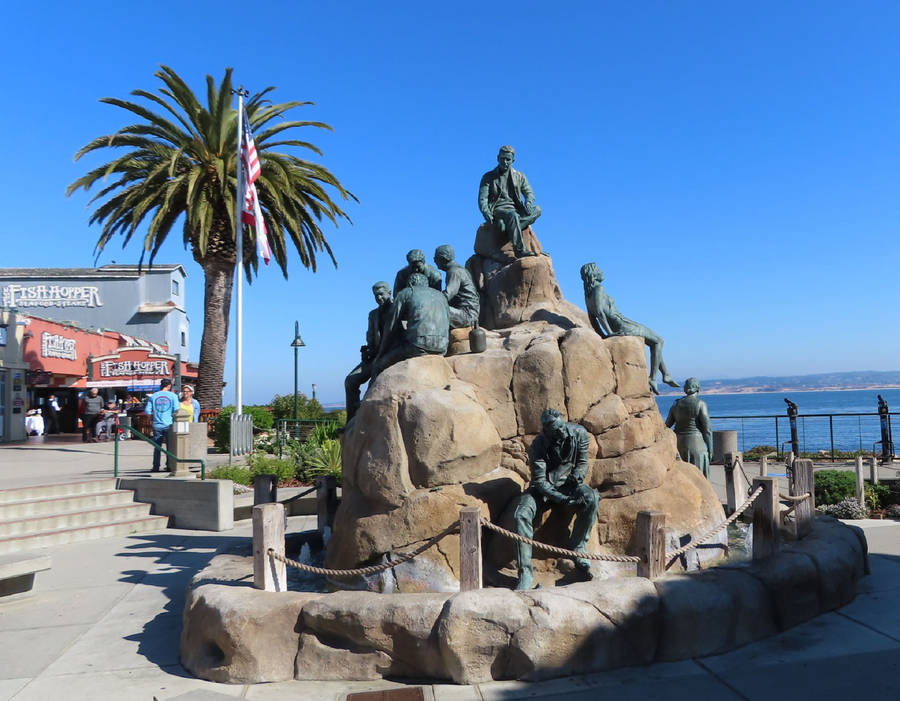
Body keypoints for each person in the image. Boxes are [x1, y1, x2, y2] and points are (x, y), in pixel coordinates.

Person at [513, 408, 599, 590]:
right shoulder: (538, 445)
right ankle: (525, 572)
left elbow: (582, 462)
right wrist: (562, 499)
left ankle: (579, 547)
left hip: (569, 485)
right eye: (556, 430)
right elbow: (540, 481)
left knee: (591, 497)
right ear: (546, 431)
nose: (562, 431)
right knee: (521, 514)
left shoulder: (580, 434)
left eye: (562, 426)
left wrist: (577, 475)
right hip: (542, 489)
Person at [581, 262, 679, 395]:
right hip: (622, 323)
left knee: (655, 342)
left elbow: (592, 318)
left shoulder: (587, 295)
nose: (601, 272)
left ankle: (666, 375)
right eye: (598, 269)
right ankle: (653, 378)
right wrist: (609, 334)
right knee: (658, 341)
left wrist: (603, 335)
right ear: (593, 274)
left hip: (619, 323)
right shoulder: (599, 289)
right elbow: (599, 312)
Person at [372, 273, 450, 377]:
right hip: (443, 347)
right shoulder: (441, 296)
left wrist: (380, 354)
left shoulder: (407, 292)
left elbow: (390, 326)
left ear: (410, 284)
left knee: (379, 366)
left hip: (417, 346)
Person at [478, 145, 542, 258]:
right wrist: (486, 212)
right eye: (502, 158)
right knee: (513, 215)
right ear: (498, 158)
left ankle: (508, 228)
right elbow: (482, 198)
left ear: (513, 160)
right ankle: (519, 250)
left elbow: (529, 193)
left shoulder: (519, 176)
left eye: (508, 159)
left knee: (537, 210)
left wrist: (528, 202)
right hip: (498, 209)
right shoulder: (488, 177)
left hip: (516, 210)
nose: (505, 162)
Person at [344, 281, 393, 421]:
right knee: (350, 380)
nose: (378, 298)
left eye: (381, 294)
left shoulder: (398, 309)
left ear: (389, 293)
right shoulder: (373, 314)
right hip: (374, 356)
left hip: (391, 355)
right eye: (376, 295)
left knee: (373, 384)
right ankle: (352, 422)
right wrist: (367, 350)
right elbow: (371, 336)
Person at [665, 378, 712, 479]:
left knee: (683, 478)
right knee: (699, 478)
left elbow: (666, 426)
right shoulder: (700, 404)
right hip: (696, 445)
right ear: (698, 389)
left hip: (679, 444)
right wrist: (711, 449)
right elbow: (707, 430)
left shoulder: (676, 404)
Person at [433, 244, 480, 328]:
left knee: (433, 308)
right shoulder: (458, 270)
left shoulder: (454, 271)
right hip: (466, 312)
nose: (434, 260)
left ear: (443, 258)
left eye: (436, 257)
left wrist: (430, 300)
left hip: (467, 315)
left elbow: (447, 295)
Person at [144, 379, 180, 472]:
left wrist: (152, 417)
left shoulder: (154, 396)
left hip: (157, 424)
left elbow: (147, 411)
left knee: (157, 447)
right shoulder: (173, 396)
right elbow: (177, 409)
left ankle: (156, 466)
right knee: (170, 447)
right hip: (169, 424)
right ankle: (169, 466)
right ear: (169, 386)